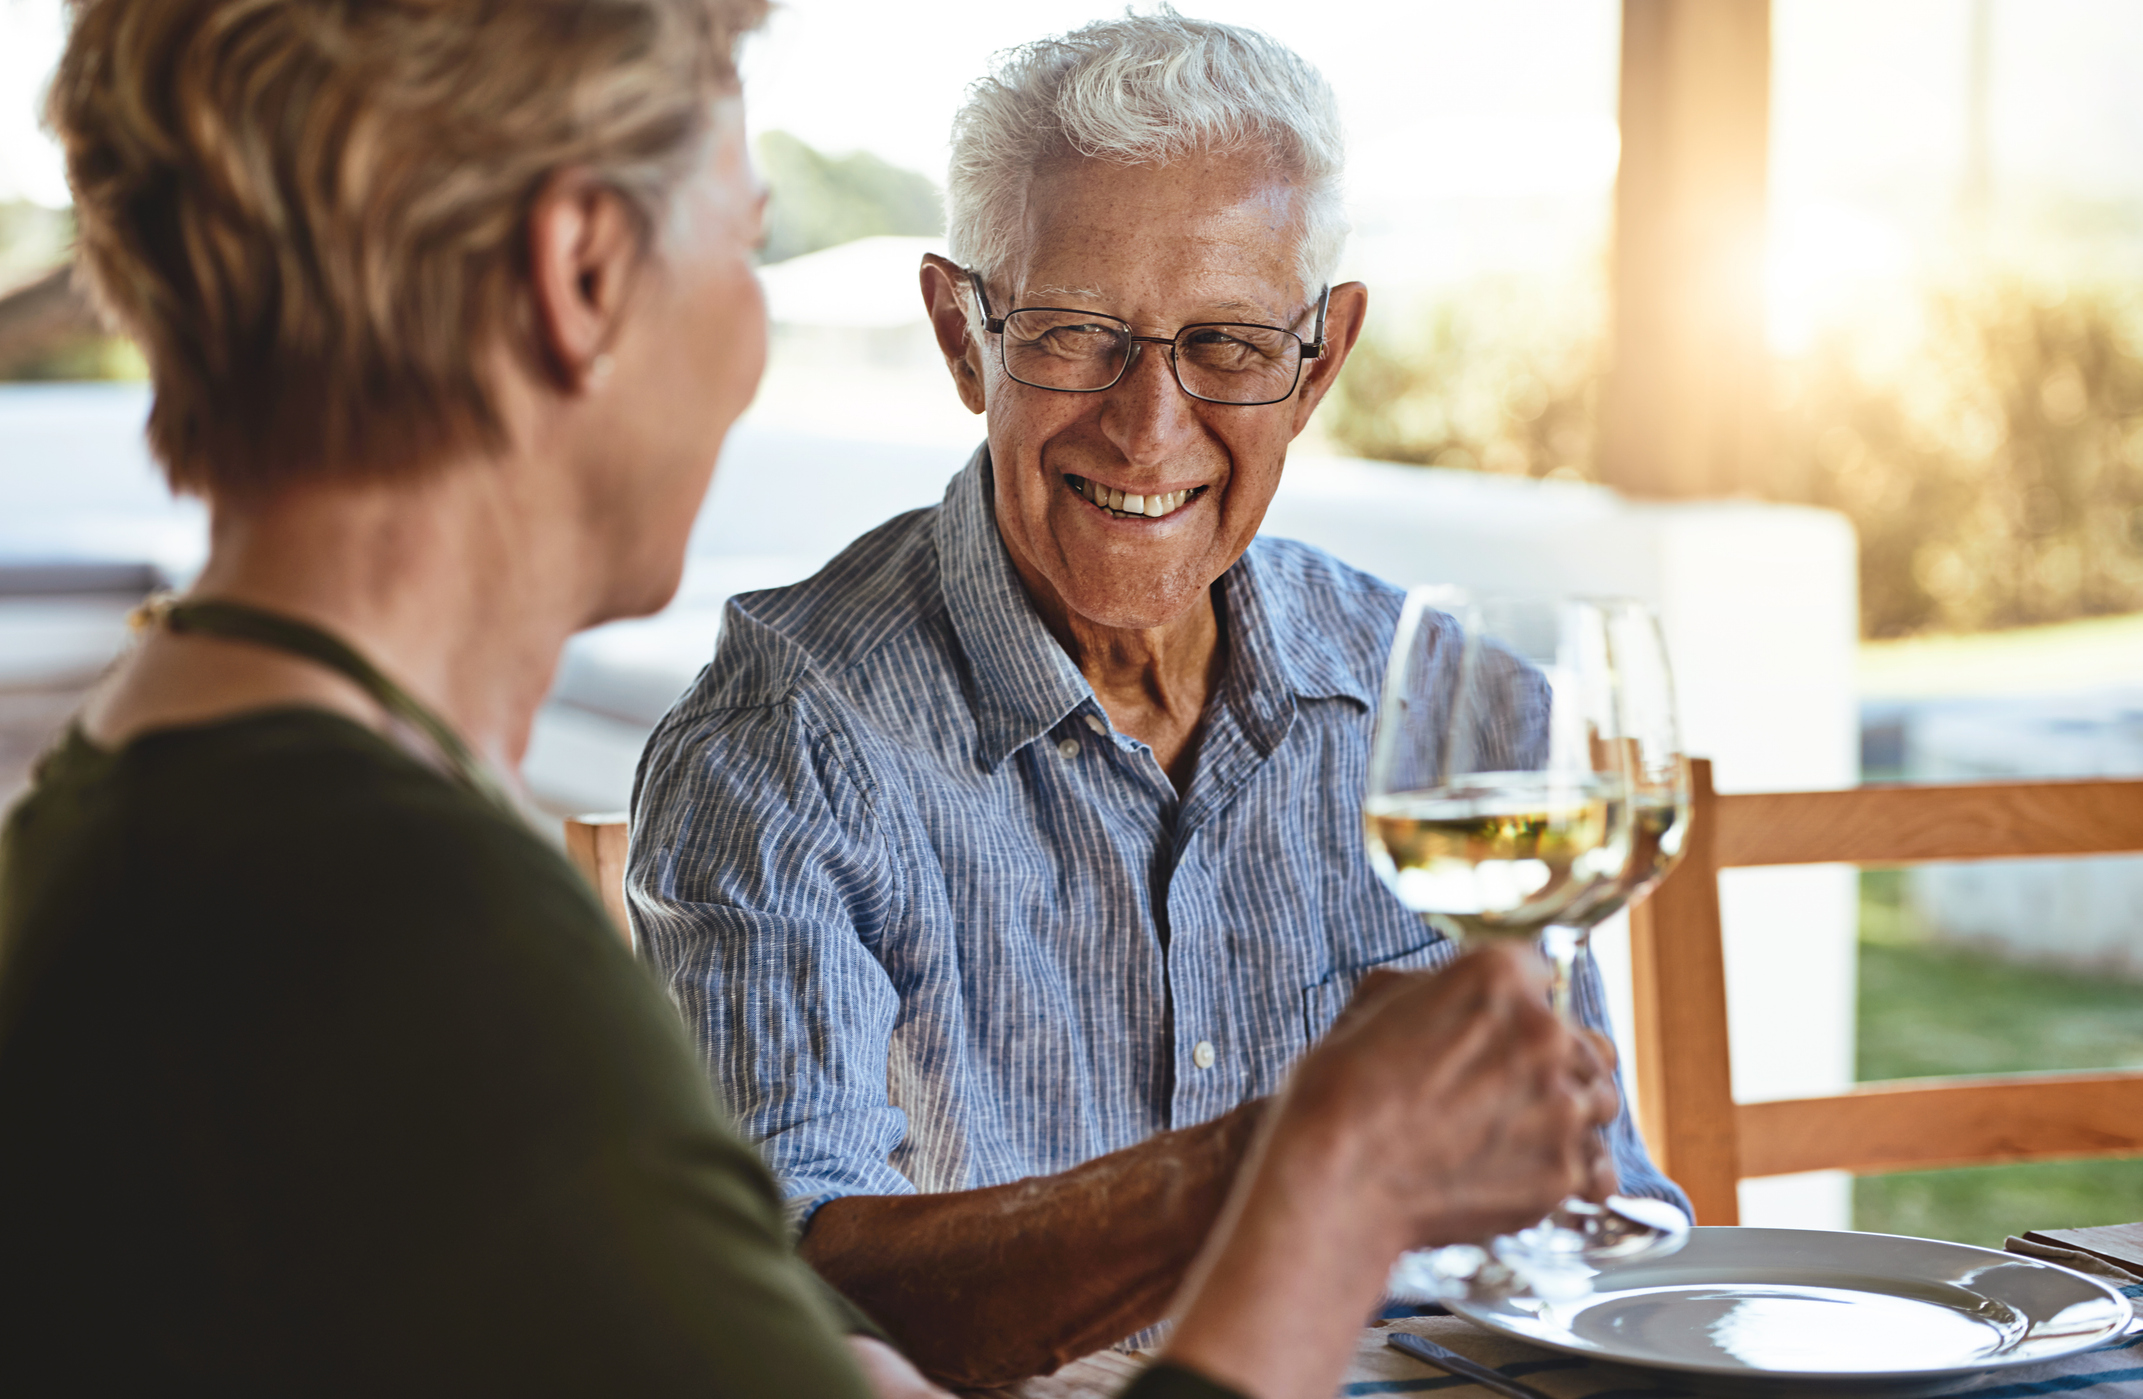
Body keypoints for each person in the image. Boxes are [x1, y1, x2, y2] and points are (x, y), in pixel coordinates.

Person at [0, 2, 1623, 1398]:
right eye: (746, 234)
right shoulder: (416, 935)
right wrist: (1317, 1169)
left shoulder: (162, 826)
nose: (757, 330)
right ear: (582, 275)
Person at [626, 6, 1691, 1389]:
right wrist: (1295, 1158)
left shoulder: (1458, 721)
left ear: (1320, 361)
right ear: (963, 336)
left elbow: (1596, 1223)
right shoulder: (783, 748)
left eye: (1231, 346)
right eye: (1075, 335)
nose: (1149, 426)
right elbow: (780, 1305)